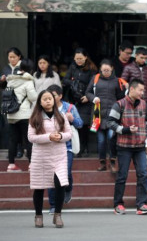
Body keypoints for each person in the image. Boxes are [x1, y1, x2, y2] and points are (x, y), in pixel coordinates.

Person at [108, 79, 147, 215]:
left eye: (143, 90)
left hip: (140, 146)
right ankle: (118, 204)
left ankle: (141, 205)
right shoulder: (120, 104)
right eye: (140, 90)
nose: (142, 92)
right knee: (122, 176)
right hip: (123, 146)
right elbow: (110, 122)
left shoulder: (144, 104)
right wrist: (125, 130)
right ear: (132, 89)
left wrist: (144, 131)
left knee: (142, 174)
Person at [28, 89, 72, 228]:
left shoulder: (61, 116)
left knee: (60, 185)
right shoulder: (35, 117)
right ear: (40, 102)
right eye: (45, 99)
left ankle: (57, 215)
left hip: (59, 155)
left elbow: (69, 133)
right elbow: (31, 137)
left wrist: (60, 136)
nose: (48, 101)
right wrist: (48, 137)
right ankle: (38, 216)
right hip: (40, 157)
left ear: (54, 100)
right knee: (39, 187)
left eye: (50, 98)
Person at [47, 84, 83, 213]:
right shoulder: (45, 109)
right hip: (50, 147)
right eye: (48, 95)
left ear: (60, 96)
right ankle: (53, 205)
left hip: (67, 147)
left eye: (53, 95)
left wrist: (72, 119)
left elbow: (80, 124)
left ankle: (68, 189)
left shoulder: (70, 108)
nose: (50, 98)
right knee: (52, 177)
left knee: (66, 173)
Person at [85, 59, 126, 172]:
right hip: (98, 115)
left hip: (112, 115)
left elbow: (120, 97)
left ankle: (112, 162)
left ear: (112, 69)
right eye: (104, 70)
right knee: (101, 141)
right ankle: (102, 162)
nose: (106, 72)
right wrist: (93, 98)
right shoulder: (95, 78)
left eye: (108, 70)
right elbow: (87, 93)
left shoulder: (117, 81)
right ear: (100, 70)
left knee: (111, 138)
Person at [62, 48, 98, 157]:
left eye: (81, 58)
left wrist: (88, 96)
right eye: (77, 58)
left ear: (86, 57)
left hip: (86, 99)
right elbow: (65, 80)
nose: (79, 61)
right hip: (74, 100)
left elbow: (94, 85)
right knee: (75, 124)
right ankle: (77, 148)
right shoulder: (72, 67)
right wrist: (74, 83)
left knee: (84, 124)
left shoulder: (92, 69)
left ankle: (85, 147)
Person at [6, 59, 38, 172]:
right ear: (31, 69)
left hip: (11, 113)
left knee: (12, 140)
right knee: (28, 140)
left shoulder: (11, 80)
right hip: (24, 114)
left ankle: (11, 165)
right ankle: (31, 164)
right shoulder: (28, 81)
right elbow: (33, 97)